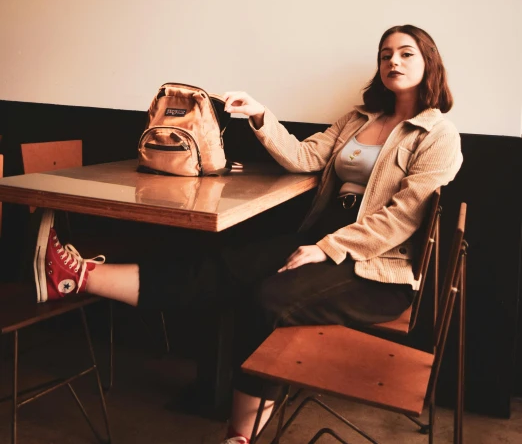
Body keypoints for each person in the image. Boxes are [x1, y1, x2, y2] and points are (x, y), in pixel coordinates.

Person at [32, 25, 463, 444]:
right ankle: (78, 276)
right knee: (223, 265)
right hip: (320, 237)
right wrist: (260, 114)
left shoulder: (438, 134)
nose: (393, 61)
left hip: (375, 267)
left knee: (266, 299)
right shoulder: (358, 119)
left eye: (406, 53)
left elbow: (402, 217)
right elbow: (304, 156)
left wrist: (329, 249)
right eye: (386, 54)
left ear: (429, 62)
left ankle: (240, 434)